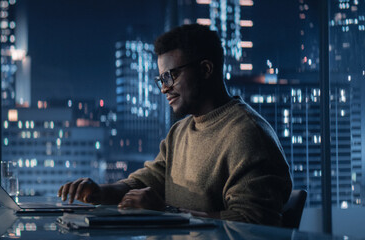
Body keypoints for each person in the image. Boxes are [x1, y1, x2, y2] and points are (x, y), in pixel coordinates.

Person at [58, 24, 292, 226]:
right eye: (161, 79)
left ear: (205, 69)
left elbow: (253, 225)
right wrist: (100, 192)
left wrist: (167, 214)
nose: (164, 88)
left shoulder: (247, 134)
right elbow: (147, 180)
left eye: (170, 76)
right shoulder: (180, 132)